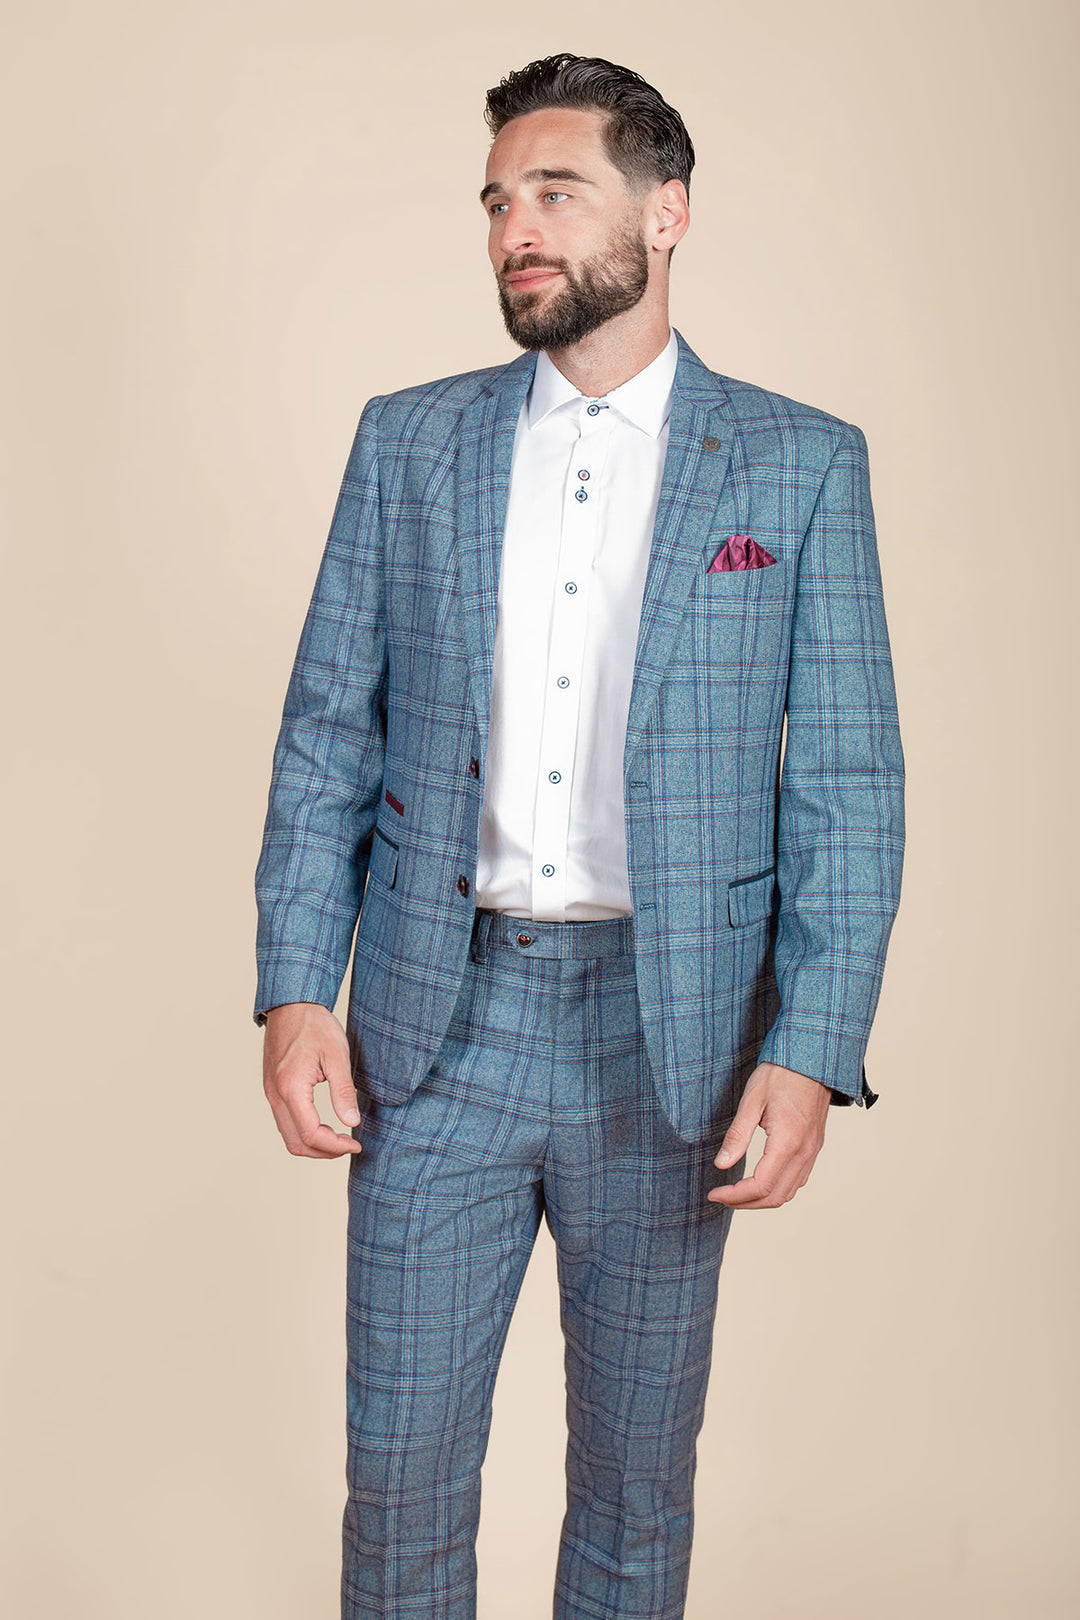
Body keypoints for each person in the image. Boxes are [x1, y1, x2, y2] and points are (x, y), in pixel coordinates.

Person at [253, 51, 905, 1620]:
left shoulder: (801, 465)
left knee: (633, 1494)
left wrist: (812, 1047)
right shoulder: (408, 443)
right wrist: (294, 989)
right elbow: (329, 731)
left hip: (672, 1049)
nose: (514, 230)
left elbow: (848, 781)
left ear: (666, 213)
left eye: (556, 192)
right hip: (434, 1029)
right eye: (496, 202)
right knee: (399, 1488)